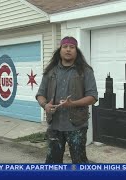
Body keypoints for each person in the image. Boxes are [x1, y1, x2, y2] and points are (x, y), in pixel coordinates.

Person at [36, 36, 98, 164]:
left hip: (77, 126)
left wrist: (72, 103)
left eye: (72, 47)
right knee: (52, 163)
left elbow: (92, 97)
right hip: (54, 125)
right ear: (60, 50)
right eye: (65, 47)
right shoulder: (50, 72)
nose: (68, 50)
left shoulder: (85, 71)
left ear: (76, 51)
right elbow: (40, 94)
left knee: (79, 162)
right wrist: (45, 105)